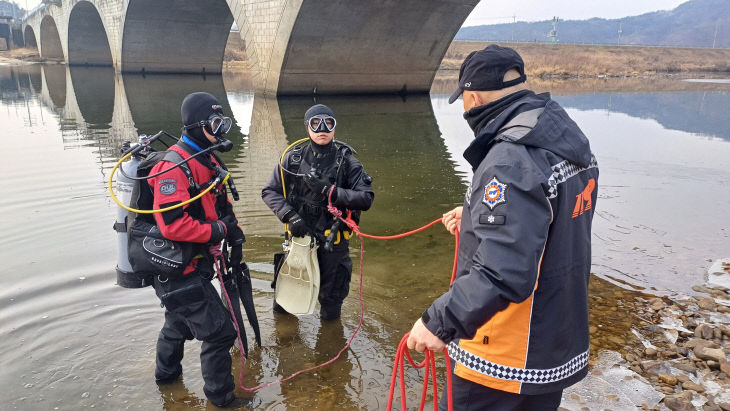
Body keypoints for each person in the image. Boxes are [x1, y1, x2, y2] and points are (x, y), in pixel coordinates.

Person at [407, 45, 599, 410]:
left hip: (504, 356)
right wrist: (480, 215)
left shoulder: (510, 157)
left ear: (473, 97)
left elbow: (503, 271)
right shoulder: (563, 137)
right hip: (553, 343)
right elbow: (550, 221)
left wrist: (439, 322)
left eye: (463, 101)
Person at [148, 92, 245, 408]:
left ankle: (166, 382)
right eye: (215, 124)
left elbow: (219, 201)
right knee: (220, 333)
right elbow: (172, 225)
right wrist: (217, 231)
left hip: (193, 264)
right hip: (177, 269)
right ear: (194, 126)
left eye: (224, 123)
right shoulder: (172, 167)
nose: (220, 132)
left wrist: (235, 233)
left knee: (177, 322)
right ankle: (221, 400)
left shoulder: (207, 156)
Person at [262, 104, 374, 320]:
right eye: (316, 123)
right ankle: (284, 342)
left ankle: (330, 346)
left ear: (334, 128)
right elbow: (270, 191)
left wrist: (329, 190)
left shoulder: (348, 163)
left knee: (332, 306)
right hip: (298, 239)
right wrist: (290, 216)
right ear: (307, 127)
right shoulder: (292, 159)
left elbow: (366, 198)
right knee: (283, 304)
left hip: (334, 243)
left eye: (328, 123)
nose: (322, 128)